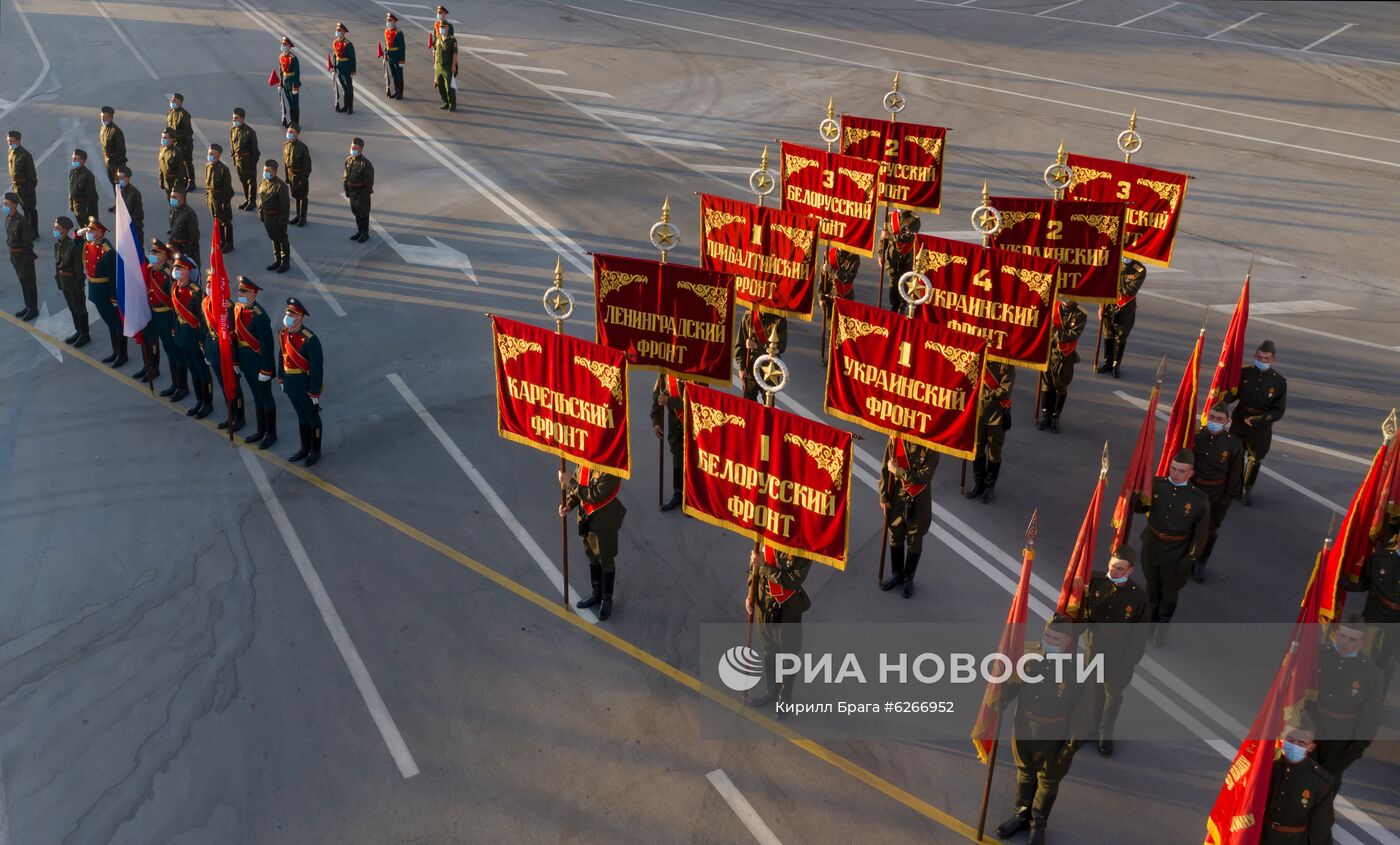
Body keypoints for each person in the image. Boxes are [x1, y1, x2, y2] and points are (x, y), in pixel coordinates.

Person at [994, 616, 1095, 845]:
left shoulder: (1079, 671)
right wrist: (1002, 698)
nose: (1048, 640)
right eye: (1047, 635)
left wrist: (1071, 747)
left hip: (1054, 736)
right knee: (1024, 773)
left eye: (1055, 638)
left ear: (1068, 641)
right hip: (1024, 730)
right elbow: (1015, 684)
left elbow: (1082, 715)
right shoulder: (1030, 658)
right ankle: (1020, 815)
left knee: (1048, 781)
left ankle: (1037, 822)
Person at [1306, 616, 1383, 834]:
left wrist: (1358, 745)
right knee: (1302, 774)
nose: (1345, 642)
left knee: (1328, 781)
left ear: (1361, 641)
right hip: (1311, 726)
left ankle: (1318, 826)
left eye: (1352, 639)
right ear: (1335, 632)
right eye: (1342, 636)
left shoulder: (1370, 672)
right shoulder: (1319, 654)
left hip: (1341, 736)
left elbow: (1371, 713)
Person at [1134, 449, 1210, 646]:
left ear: (1191, 473)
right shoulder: (1157, 486)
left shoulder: (1198, 500)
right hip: (1152, 545)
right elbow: (1140, 508)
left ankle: (1162, 626)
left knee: (1169, 591)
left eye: (1181, 471)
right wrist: (1135, 491)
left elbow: (1201, 535)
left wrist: (1190, 558)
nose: (1175, 474)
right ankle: (1148, 623)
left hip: (1176, 551)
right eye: (1173, 468)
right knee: (1152, 585)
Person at [1080, 546, 1150, 756]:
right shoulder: (1096, 582)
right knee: (1093, 687)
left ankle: (1105, 731)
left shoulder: (1138, 597)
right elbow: (1085, 613)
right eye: (1111, 566)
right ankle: (1090, 726)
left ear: (1130, 571)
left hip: (1120, 651)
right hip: (1096, 644)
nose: (1114, 572)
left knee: (1113, 691)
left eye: (1120, 569)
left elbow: (1139, 634)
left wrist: (1129, 660)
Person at [745, 540, 812, 714]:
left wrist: (764, 566)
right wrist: (750, 593)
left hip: (787, 609)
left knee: (788, 654)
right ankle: (772, 689)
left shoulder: (801, 544)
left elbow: (793, 580)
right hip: (763, 602)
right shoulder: (765, 535)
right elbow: (753, 568)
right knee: (769, 648)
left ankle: (785, 696)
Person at [559, 464, 627, 620]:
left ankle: (606, 599)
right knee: (591, 555)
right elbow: (578, 488)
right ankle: (596, 594)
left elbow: (594, 495)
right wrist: (568, 505)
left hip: (604, 522)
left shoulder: (611, 468)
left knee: (606, 559)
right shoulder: (585, 462)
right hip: (586, 519)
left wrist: (570, 482)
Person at [1224, 340, 1287, 505]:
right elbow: (1232, 396)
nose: (1263, 361)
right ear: (1255, 356)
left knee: (1254, 458)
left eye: (1266, 358)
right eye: (1260, 357)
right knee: (1236, 454)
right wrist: (1222, 388)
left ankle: (1247, 488)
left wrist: (1258, 420)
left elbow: (1278, 411)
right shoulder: (1244, 373)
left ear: (1273, 359)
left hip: (1260, 427)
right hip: (1240, 420)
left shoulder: (1279, 382)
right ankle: (1234, 486)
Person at [1258, 718, 1336, 845]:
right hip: (1262, 837)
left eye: (1301, 743)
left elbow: (1321, 828)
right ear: (1282, 739)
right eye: (1290, 740)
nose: (1294, 746)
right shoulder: (1267, 769)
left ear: (1311, 747)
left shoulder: (1320, 782)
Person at [1190, 402, 1244, 582]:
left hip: (1215, 493)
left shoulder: (1233, 445)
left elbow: (1235, 476)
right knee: (1188, 524)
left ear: (1226, 421)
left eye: (1219, 419)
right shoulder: (1196, 437)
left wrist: (1226, 499)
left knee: (1210, 529)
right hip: (1193, 488)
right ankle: (1187, 559)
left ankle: (1201, 562)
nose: (1215, 421)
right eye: (1212, 417)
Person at [879, 436, 937, 597]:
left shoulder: (932, 444)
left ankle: (908, 578)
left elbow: (926, 476)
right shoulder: (896, 439)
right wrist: (883, 496)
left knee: (915, 539)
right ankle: (897, 574)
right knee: (895, 535)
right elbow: (885, 468)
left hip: (919, 501)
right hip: (897, 498)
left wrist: (899, 471)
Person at [1347, 529, 1400, 690]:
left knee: (1387, 666)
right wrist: (1336, 576)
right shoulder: (1379, 559)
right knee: (1366, 661)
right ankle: (1356, 700)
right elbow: (1362, 583)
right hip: (1376, 617)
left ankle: (1375, 703)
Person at [279, 297, 324, 465]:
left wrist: (314, 391)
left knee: (312, 418)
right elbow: (281, 355)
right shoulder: (284, 333)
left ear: (300, 317)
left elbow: (317, 368)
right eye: (287, 313)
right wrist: (281, 377)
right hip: (290, 383)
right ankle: (304, 448)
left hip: (304, 384)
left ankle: (315, 450)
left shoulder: (310, 339)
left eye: (292, 314)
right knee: (301, 417)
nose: (288, 316)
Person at [234, 276, 278, 449]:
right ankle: (261, 430)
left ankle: (271, 432)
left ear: (253, 293)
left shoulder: (259, 316)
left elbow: (267, 345)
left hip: (259, 362)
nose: (240, 293)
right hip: (246, 361)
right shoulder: (239, 309)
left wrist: (266, 368)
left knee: (266, 398)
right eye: (239, 290)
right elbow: (237, 337)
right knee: (256, 397)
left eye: (243, 291)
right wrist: (237, 361)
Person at [200, 268, 245, 432]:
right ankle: (231, 415)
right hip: (213, 350)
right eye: (207, 283)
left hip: (227, 353)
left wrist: (235, 359)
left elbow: (234, 334)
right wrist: (205, 348)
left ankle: (240, 417)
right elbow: (205, 327)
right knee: (222, 384)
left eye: (212, 284)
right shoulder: (205, 302)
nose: (209, 286)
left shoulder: (229, 306)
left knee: (234, 386)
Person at [966, 361, 1015, 504]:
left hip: (996, 416)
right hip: (979, 414)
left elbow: (1005, 390)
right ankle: (978, 483)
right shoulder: (980, 358)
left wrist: (985, 394)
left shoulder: (1006, 365)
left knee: (994, 453)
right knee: (978, 450)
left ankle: (989, 486)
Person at [1038, 298, 1087, 433]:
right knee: (1046, 384)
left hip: (1064, 355)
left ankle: (1055, 417)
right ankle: (1045, 415)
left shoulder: (1080, 313)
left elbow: (1072, 335)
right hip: (1048, 352)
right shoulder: (1053, 306)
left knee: (1060, 385)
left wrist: (1053, 332)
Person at [170, 253, 210, 415]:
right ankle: (199, 400)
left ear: (187, 271)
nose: (175, 270)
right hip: (181, 335)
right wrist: (175, 329)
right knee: (193, 369)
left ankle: (207, 402)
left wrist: (202, 341)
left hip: (194, 337)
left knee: (202, 371)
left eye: (179, 268)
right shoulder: (174, 287)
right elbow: (174, 312)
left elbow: (202, 320)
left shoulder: (196, 292)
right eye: (175, 267)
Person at [82, 218, 122, 363]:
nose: (89, 232)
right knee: (109, 321)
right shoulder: (88, 244)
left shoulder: (107, 250)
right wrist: (78, 233)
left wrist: (114, 296)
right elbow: (75, 241)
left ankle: (122, 354)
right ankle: (115, 350)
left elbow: (113, 276)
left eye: (92, 230)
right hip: (95, 290)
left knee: (116, 323)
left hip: (105, 292)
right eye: (88, 230)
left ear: (100, 232)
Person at [1096, 258, 1145, 378]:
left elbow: (1130, 290)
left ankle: (1115, 365)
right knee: (1108, 333)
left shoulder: (1139, 269)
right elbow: (1102, 286)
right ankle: (1107, 362)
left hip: (1125, 308)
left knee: (1121, 335)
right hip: (1109, 304)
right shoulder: (1111, 260)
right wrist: (1101, 306)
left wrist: (1113, 281)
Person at [143, 240, 180, 394]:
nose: (152, 255)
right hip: (156, 316)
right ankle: (175, 385)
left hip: (167, 317)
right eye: (151, 252)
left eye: (156, 253)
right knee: (168, 350)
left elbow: (175, 304)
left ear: (165, 256)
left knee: (175, 352)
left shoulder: (168, 275)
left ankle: (180, 386)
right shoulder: (151, 270)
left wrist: (173, 324)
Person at [735, 309, 788, 402]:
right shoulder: (749, 316)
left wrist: (758, 346)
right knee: (749, 402)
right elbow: (740, 344)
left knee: (768, 401)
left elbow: (781, 347)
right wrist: (741, 367)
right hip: (750, 364)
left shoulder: (779, 319)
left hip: (770, 367)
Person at [51, 216, 88, 345]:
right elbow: (58, 264)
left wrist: (79, 286)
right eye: (54, 227)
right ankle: (78, 330)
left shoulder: (73, 247)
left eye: (57, 228)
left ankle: (85, 334)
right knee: (72, 308)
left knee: (80, 308)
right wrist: (59, 281)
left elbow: (79, 270)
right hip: (64, 282)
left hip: (73, 282)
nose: (54, 230)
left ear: (65, 230)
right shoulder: (58, 245)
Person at [650, 373, 685, 512]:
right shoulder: (666, 369)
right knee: (677, 455)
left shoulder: (697, 366)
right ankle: (678, 493)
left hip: (695, 419)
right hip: (674, 419)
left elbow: (698, 400)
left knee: (691, 458)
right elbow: (657, 394)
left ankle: (691, 498)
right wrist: (656, 421)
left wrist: (670, 401)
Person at [4, 192, 37, 321]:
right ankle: (28, 306)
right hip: (14, 255)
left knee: (29, 282)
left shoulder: (22, 221)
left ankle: (33, 308)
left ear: (14, 205)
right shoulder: (9, 218)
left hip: (23, 256)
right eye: (4, 203)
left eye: (6, 204)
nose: (4, 206)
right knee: (23, 281)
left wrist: (25, 261)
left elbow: (28, 245)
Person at [881, 208, 919, 312]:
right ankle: (894, 305)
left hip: (907, 256)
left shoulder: (914, 219)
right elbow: (883, 237)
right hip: (892, 254)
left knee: (904, 281)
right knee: (893, 280)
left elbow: (909, 237)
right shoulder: (889, 216)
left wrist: (891, 236)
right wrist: (881, 254)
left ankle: (902, 307)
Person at [819, 247, 859, 345]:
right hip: (830, 297)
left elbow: (848, 278)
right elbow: (822, 276)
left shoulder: (854, 256)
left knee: (843, 330)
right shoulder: (830, 253)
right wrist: (820, 296)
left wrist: (831, 270)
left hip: (845, 297)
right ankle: (831, 357)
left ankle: (840, 357)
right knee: (831, 329)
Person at [258, 160, 291, 273]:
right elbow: (261, 199)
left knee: (282, 239)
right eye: (264, 170)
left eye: (267, 171)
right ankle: (277, 260)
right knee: (273, 238)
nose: (265, 172)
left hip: (277, 217)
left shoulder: (280, 186)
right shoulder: (263, 182)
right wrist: (261, 213)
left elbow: (285, 206)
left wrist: (282, 221)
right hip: (267, 217)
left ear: (275, 172)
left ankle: (285, 262)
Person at [7, 131, 38, 235]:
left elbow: (32, 177)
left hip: (25, 187)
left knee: (29, 210)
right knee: (22, 210)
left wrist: (29, 190)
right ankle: (26, 230)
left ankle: (33, 232)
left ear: (18, 141)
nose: (9, 143)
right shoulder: (11, 152)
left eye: (11, 141)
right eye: (8, 141)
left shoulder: (25, 155)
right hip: (16, 187)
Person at [343, 138, 374, 242]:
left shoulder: (365, 164)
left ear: (361, 149)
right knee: (356, 212)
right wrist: (346, 189)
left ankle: (365, 233)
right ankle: (360, 230)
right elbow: (345, 177)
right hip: (352, 192)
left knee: (364, 213)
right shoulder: (348, 160)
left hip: (361, 192)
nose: (353, 150)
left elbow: (369, 183)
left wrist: (365, 195)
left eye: (355, 148)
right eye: (352, 147)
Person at [229, 108, 261, 211]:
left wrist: (252, 165)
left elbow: (255, 151)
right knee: (242, 180)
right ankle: (246, 199)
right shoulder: (233, 130)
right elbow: (232, 145)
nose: (234, 120)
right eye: (233, 118)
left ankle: (252, 201)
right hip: (239, 160)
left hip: (248, 160)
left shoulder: (249, 132)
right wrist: (234, 158)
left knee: (251, 181)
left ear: (242, 118)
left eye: (236, 118)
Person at [205, 145, 234, 251]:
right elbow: (207, 183)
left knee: (225, 222)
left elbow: (228, 189)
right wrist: (207, 197)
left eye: (212, 154)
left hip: (220, 199)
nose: (210, 156)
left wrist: (225, 203)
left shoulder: (223, 169)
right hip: (211, 199)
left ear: (218, 155)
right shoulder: (208, 166)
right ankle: (221, 240)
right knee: (216, 220)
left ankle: (229, 243)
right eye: (209, 153)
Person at [165, 93, 196, 192]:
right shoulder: (170, 112)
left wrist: (187, 144)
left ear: (180, 102)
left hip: (183, 142)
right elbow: (169, 128)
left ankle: (191, 182)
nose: (172, 101)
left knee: (187, 162)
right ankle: (184, 180)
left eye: (175, 100)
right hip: (173, 142)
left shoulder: (184, 114)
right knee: (178, 162)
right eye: (172, 100)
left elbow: (188, 131)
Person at [98, 107, 127, 212]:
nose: (102, 119)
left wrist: (120, 166)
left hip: (116, 161)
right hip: (108, 160)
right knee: (113, 183)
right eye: (101, 117)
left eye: (104, 117)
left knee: (119, 184)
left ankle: (124, 205)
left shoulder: (116, 131)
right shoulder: (103, 128)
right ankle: (118, 203)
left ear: (111, 117)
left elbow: (122, 150)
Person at [283, 124, 311, 227]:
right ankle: (298, 215)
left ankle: (303, 217)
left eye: (292, 132)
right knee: (296, 196)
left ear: (297, 134)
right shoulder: (286, 145)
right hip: (291, 175)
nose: (289, 134)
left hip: (300, 175)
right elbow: (286, 163)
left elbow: (307, 166)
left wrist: (303, 179)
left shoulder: (303, 147)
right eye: (288, 131)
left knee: (303, 197)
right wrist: (287, 177)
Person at [68, 149, 100, 230]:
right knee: (81, 227)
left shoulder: (88, 175)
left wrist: (88, 213)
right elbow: (71, 188)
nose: (73, 161)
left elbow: (92, 196)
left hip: (84, 207)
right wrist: (71, 202)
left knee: (90, 229)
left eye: (75, 159)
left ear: (82, 160)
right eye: (72, 159)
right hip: (76, 206)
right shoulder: (72, 172)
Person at [330, 23, 357, 114]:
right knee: (344, 88)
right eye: (337, 30)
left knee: (349, 88)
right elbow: (334, 55)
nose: (337, 32)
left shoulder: (348, 44)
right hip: (339, 68)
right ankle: (345, 106)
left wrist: (352, 71)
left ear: (344, 32)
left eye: (339, 31)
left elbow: (352, 58)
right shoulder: (335, 42)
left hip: (346, 68)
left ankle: (350, 107)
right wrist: (334, 67)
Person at [115, 166, 143, 248]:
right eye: (117, 177)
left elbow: (139, 215)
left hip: (132, 228)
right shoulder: (119, 190)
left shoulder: (134, 193)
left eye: (120, 177)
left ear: (127, 178)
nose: (118, 180)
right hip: (122, 227)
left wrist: (129, 225)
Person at [433, 23, 459, 111]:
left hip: (448, 66)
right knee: (440, 85)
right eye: (440, 27)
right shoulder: (438, 38)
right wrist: (435, 65)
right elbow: (436, 53)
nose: (441, 28)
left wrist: (453, 65)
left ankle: (453, 104)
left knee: (449, 88)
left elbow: (455, 54)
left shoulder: (452, 40)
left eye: (443, 27)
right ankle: (445, 102)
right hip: (439, 66)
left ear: (447, 28)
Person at [167, 189, 200, 259]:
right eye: (171, 197)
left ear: (183, 198)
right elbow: (172, 229)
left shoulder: (189, 214)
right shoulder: (173, 209)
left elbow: (194, 237)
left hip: (186, 250)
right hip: (175, 247)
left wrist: (188, 255)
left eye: (175, 197)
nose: (172, 199)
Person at [277, 38, 301, 129]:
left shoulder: (293, 58)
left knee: (295, 104)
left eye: (285, 45)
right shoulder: (281, 56)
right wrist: (280, 82)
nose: (283, 46)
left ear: (289, 47)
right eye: (282, 44)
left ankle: (296, 123)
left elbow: (296, 73)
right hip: (285, 82)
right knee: (290, 104)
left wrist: (295, 86)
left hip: (292, 83)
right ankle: (292, 120)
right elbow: (281, 71)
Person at [383, 13, 406, 99]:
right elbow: (386, 44)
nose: (388, 22)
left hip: (397, 57)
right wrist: (385, 55)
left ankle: (400, 93)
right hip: (390, 57)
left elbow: (402, 48)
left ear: (394, 22)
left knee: (399, 75)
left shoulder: (399, 33)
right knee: (393, 75)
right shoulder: (386, 31)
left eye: (390, 20)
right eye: (387, 20)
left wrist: (402, 60)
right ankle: (396, 91)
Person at [158, 129, 185, 196]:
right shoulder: (162, 149)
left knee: (177, 202)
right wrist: (161, 181)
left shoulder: (176, 153)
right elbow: (161, 167)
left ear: (171, 139)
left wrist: (176, 188)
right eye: (162, 137)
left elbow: (180, 172)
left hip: (173, 183)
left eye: (165, 138)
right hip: (166, 182)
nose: (162, 139)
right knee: (169, 198)